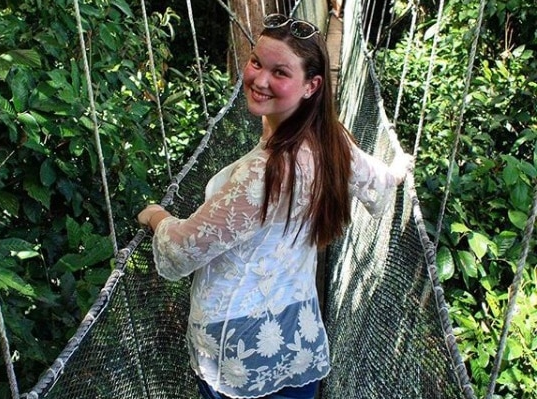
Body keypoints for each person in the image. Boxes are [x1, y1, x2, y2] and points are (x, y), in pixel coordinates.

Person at [138, 13, 413, 399]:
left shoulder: (266, 172)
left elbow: (182, 251)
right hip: (297, 336)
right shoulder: (332, 141)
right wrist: (398, 168)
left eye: (280, 72)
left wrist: (156, 216)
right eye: (256, 62)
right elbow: (378, 181)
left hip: (236, 349)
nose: (259, 79)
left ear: (311, 85)